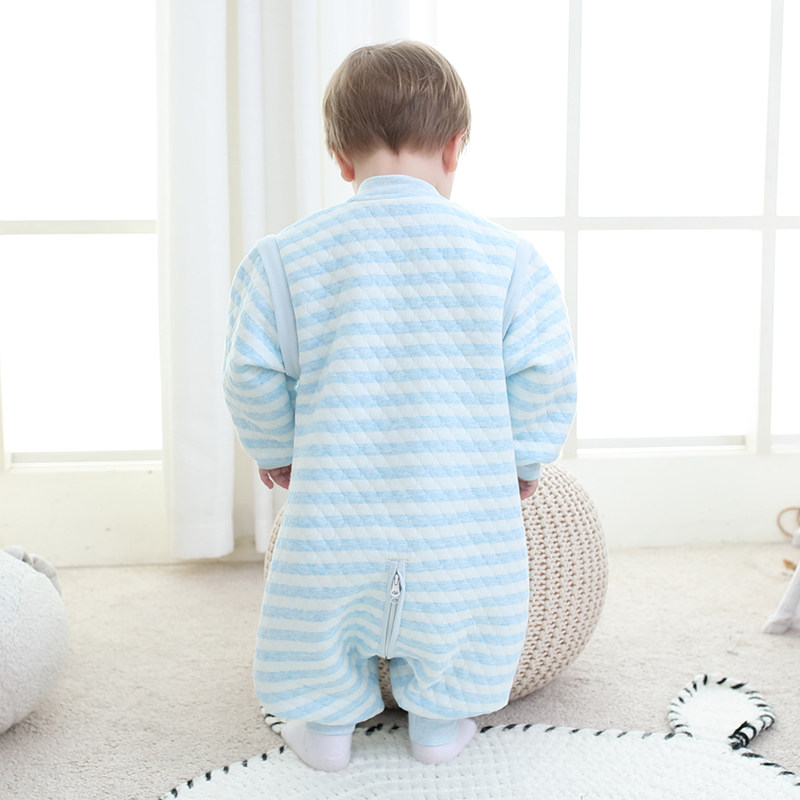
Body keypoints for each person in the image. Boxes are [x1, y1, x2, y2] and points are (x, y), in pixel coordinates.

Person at [223, 40, 576, 772]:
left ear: (339, 158)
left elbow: (250, 372)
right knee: (465, 618)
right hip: (461, 520)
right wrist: (523, 458)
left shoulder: (284, 259)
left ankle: (325, 732)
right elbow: (544, 372)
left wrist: (278, 447)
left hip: (334, 513)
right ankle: (439, 727)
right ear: (455, 148)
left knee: (315, 622)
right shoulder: (509, 261)